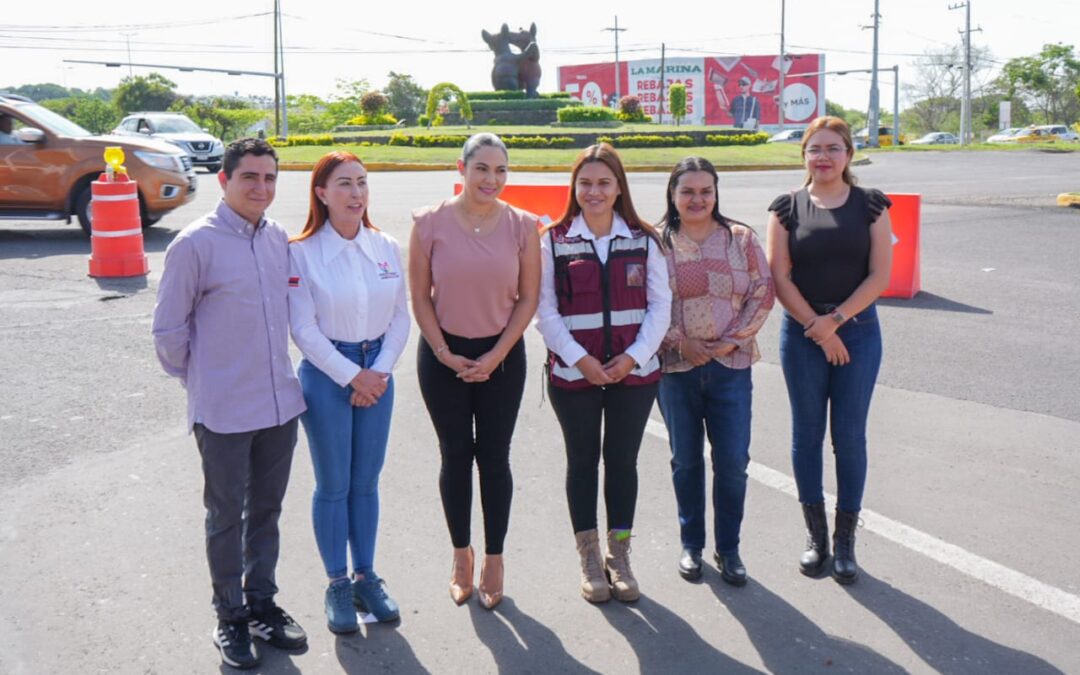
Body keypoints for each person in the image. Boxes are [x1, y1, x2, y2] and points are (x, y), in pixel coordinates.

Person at [152, 138, 308, 670]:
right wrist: (203, 382)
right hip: (222, 412)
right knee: (225, 517)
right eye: (250, 178)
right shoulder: (194, 245)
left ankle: (261, 602)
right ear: (224, 180)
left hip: (279, 406)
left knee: (266, 512)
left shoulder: (278, 238)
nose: (261, 188)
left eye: (269, 178)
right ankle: (230, 615)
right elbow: (169, 333)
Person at [408, 133, 541, 610]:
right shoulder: (429, 223)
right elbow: (420, 297)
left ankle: (495, 559)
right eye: (482, 168)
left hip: (502, 357)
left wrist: (497, 354)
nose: (492, 179)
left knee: (495, 457)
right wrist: (444, 353)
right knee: (455, 455)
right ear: (461, 169)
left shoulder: (524, 226)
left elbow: (528, 299)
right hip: (443, 356)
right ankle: (461, 555)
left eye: (501, 170)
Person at [536, 143, 671, 603]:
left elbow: (661, 306)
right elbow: (544, 312)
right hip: (575, 377)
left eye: (604, 183)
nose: (594, 191)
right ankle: (589, 557)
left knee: (622, 462)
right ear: (574, 187)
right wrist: (581, 360)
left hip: (635, 375)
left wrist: (632, 357)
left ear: (619, 189)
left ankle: (619, 556)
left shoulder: (644, 238)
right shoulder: (552, 240)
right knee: (581, 463)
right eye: (586, 182)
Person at [765, 116, 893, 585]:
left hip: (857, 333)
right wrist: (817, 328)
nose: (823, 156)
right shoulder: (787, 208)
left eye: (833, 148)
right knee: (806, 436)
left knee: (850, 437)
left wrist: (835, 323)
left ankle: (844, 543)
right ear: (803, 154)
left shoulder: (872, 206)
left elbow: (879, 275)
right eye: (814, 148)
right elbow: (779, 276)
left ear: (849, 154)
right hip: (801, 334)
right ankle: (815, 537)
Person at [288, 151, 409, 633]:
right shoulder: (301, 251)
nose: (356, 194)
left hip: (378, 373)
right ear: (321, 193)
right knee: (334, 485)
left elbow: (401, 316)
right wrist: (350, 376)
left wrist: (376, 372)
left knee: (366, 483)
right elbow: (302, 327)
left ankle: (366, 577)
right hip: (326, 374)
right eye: (344, 184)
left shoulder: (386, 246)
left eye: (361, 183)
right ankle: (337, 583)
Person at [657, 157, 775, 586]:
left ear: (716, 193)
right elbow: (647, 306)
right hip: (676, 369)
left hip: (731, 367)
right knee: (685, 461)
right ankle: (692, 545)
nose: (697, 199)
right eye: (687, 191)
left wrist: (732, 339)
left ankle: (729, 549)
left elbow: (763, 292)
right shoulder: (658, 242)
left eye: (706, 191)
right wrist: (679, 341)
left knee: (732, 462)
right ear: (673, 194)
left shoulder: (739, 239)